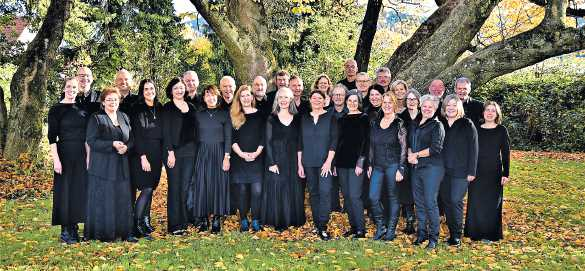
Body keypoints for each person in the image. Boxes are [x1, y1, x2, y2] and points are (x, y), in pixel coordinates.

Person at [84, 87, 137, 242]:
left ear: (119, 101)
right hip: (103, 167)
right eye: (109, 99)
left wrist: (127, 147)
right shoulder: (96, 118)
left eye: (115, 99)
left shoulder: (124, 117)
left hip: (121, 165)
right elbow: (92, 141)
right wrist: (112, 144)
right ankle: (106, 234)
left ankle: (124, 233)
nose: (112, 102)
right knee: (105, 200)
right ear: (103, 102)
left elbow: (132, 138)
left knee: (122, 199)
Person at [48, 77, 89, 244]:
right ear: (64, 88)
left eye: (75, 87)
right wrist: (56, 160)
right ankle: (65, 230)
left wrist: (89, 158)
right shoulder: (56, 109)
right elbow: (51, 138)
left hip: (81, 154)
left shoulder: (82, 108)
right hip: (64, 153)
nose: (72, 89)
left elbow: (88, 137)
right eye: (69, 87)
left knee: (78, 191)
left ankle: (74, 228)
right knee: (64, 191)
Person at [189, 85, 232, 234]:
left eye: (213, 95)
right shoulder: (198, 115)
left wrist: (227, 157)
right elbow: (193, 136)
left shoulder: (224, 114)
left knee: (218, 185)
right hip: (203, 153)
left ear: (217, 97)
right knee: (203, 184)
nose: (210, 98)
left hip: (220, 153)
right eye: (207, 95)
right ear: (204, 98)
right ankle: (203, 219)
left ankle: (216, 219)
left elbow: (228, 137)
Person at [465, 101, 510, 242]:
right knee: (476, 201)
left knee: (492, 203)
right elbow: (470, 151)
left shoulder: (501, 130)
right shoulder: (476, 128)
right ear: (483, 113)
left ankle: (490, 235)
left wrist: (505, 173)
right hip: (476, 171)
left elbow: (506, 153)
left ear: (497, 114)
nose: (490, 113)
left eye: (493, 111)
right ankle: (475, 232)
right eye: (487, 110)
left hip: (494, 171)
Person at [262, 87, 306, 230]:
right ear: (277, 100)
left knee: (292, 188)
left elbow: (300, 143)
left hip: (293, 159)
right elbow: (267, 142)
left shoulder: (298, 118)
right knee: (279, 188)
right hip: (277, 159)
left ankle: (293, 219)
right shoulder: (271, 118)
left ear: (291, 99)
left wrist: (300, 164)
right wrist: (272, 162)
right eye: (280, 97)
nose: (283, 100)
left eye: (286, 97)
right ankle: (279, 221)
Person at [298, 90, 338, 240]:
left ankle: (323, 226)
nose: (316, 100)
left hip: (324, 162)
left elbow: (334, 141)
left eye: (319, 98)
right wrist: (300, 164)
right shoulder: (304, 118)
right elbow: (299, 142)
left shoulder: (331, 117)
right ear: (310, 100)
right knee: (314, 193)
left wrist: (329, 162)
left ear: (324, 100)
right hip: (308, 162)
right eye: (313, 98)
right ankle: (317, 224)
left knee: (325, 192)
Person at [439, 94, 478, 247]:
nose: (451, 108)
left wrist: (472, 171)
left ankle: (457, 235)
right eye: (448, 105)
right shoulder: (440, 123)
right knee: (447, 201)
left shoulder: (466, 124)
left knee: (456, 200)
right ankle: (452, 232)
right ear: (444, 108)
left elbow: (474, 148)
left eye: (454, 105)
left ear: (459, 108)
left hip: (461, 171)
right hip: (442, 170)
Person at [367, 92, 407, 241]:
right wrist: (370, 165)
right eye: (385, 102)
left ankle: (391, 229)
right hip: (377, 165)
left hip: (393, 165)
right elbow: (371, 146)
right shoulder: (375, 122)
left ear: (395, 104)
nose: (387, 105)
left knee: (393, 197)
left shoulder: (399, 123)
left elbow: (404, 148)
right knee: (373, 197)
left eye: (390, 102)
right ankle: (381, 226)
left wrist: (401, 168)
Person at [161, 77, 198, 235]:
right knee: (174, 187)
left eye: (181, 87)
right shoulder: (167, 108)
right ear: (171, 91)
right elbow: (166, 131)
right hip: (173, 153)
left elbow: (196, 130)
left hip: (190, 152)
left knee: (184, 187)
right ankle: (174, 226)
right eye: (176, 88)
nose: (179, 90)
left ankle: (183, 223)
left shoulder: (191, 107)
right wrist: (170, 152)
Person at [408, 94, 445, 250]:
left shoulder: (437, 125)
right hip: (416, 167)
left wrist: (416, 155)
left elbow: (436, 148)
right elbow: (409, 142)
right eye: (425, 106)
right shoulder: (416, 123)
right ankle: (421, 234)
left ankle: (433, 238)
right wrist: (410, 155)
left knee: (430, 202)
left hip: (432, 168)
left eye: (431, 106)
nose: (427, 109)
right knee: (419, 203)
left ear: (435, 109)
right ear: (420, 107)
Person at [129, 79, 164, 239]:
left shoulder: (159, 107)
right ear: (142, 92)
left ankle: (145, 221)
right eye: (146, 89)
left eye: (152, 88)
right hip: (142, 154)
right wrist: (143, 157)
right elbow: (136, 134)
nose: (150, 91)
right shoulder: (137, 109)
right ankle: (135, 225)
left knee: (151, 188)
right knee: (146, 188)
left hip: (157, 154)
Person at [230, 85, 265, 232]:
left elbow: (264, 136)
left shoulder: (260, 114)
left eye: (248, 95)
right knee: (242, 191)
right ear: (239, 98)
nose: (245, 98)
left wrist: (256, 153)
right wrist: (242, 154)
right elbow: (232, 138)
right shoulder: (234, 115)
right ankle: (243, 219)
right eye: (242, 95)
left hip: (257, 158)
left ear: (252, 97)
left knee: (257, 191)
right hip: (239, 159)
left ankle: (256, 219)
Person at [335, 90, 368, 239]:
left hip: (357, 163)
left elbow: (365, 142)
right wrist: (334, 164)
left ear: (359, 102)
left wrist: (361, 162)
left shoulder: (364, 118)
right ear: (346, 101)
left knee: (355, 196)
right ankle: (353, 227)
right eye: (350, 101)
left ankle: (361, 229)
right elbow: (338, 142)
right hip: (342, 162)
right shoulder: (341, 119)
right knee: (347, 197)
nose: (352, 103)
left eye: (355, 101)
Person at [397, 89, 421, 235]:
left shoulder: (424, 116)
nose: (411, 102)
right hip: (404, 159)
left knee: (419, 189)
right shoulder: (400, 118)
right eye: (409, 99)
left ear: (418, 102)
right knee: (406, 190)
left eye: (414, 99)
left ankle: (423, 222)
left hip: (421, 159)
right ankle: (410, 220)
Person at [330, 84, 348, 213]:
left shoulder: (351, 112)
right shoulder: (326, 113)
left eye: (341, 94)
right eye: (335, 94)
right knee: (332, 183)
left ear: (345, 97)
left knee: (346, 183)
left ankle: (348, 206)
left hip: (346, 153)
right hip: (330, 152)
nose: (338, 97)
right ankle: (334, 207)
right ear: (331, 97)